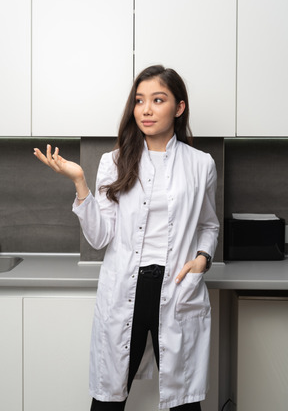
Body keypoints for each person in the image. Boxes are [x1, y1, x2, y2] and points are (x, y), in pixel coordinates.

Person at [34, 65, 219, 411]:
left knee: (184, 403)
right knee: (107, 399)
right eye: (139, 101)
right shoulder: (114, 162)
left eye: (157, 100)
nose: (146, 110)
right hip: (125, 291)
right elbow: (99, 237)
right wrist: (80, 183)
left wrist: (203, 259)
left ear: (179, 108)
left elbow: (209, 225)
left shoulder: (201, 164)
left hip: (177, 288)